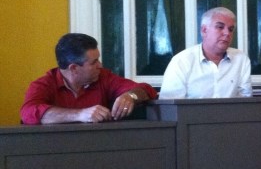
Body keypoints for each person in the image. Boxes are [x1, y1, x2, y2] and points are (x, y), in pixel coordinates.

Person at [20, 33, 158, 125]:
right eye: (94, 62)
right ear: (74, 68)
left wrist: (131, 96)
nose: (100, 65)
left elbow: (146, 89)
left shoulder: (103, 77)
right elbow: (28, 113)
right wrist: (80, 115)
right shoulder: (43, 84)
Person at [159, 7, 252, 98]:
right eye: (220, 27)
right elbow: (169, 105)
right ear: (204, 30)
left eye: (230, 29)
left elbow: (246, 102)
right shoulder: (181, 61)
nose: (227, 33)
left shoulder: (241, 59)